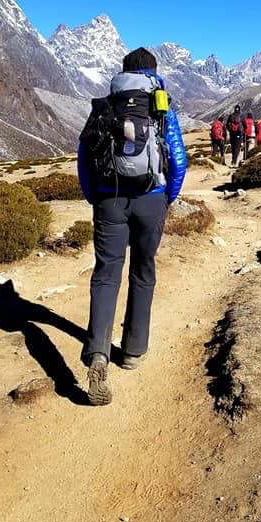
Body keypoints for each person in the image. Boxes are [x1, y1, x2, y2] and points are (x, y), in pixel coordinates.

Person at [77, 47, 186, 406]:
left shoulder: (107, 105)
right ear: (153, 72)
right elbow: (178, 156)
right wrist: (166, 195)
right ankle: (133, 350)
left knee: (106, 274)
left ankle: (97, 354)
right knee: (143, 271)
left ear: (123, 72)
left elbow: (85, 154)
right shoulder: (160, 106)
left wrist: (95, 196)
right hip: (151, 199)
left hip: (110, 199)